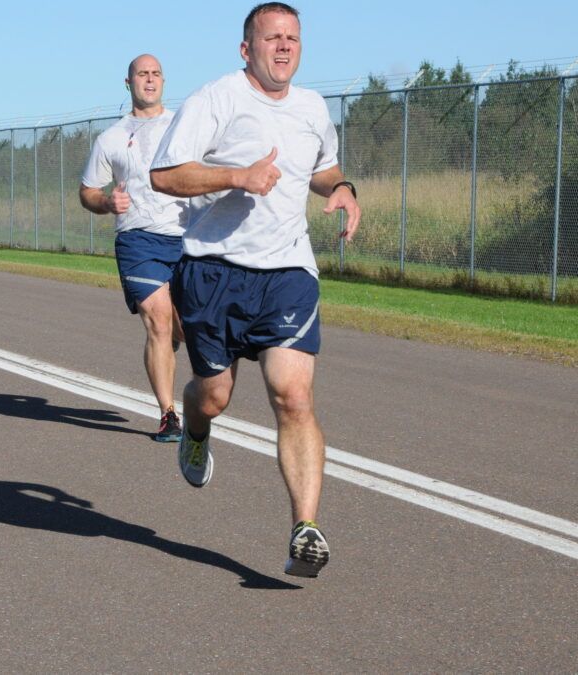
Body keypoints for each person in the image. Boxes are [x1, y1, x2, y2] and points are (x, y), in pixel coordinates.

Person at [150, 2, 361, 578]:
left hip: (287, 273)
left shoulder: (313, 107)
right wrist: (236, 176)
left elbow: (319, 165)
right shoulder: (217, 99)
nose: (285, 46)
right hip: (213, 273)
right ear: (248, 49)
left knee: (292, 396)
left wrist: (338, 187)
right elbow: (165, 175)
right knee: (214, 395)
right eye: (272, 38)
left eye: (293, 37)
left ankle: (305, 529)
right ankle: (195, 426)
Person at [80, 54, 188, 442]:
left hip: (186, 237)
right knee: (158, 321)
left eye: (156, 73)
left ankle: (171, 345)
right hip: (137, 240)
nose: (150, 79)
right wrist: (107, 203)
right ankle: (168, 414)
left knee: (183, 328)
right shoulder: (110, 138)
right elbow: (88, 191)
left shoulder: (183, 125)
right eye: (142, 74)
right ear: (128, 82)